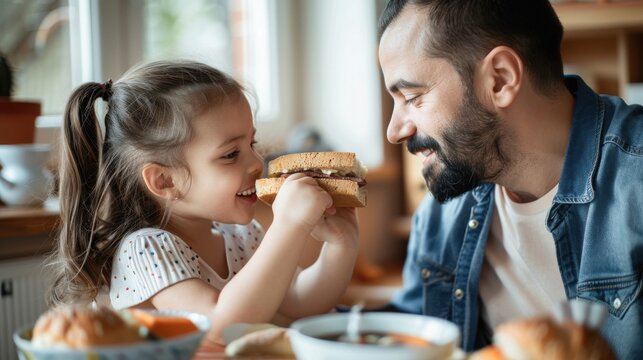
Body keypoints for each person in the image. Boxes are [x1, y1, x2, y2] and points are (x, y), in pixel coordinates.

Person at [377, 0, 643, 358]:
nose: (394, 131)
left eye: (411, 97)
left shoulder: (635, 181)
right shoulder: (445, 209)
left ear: (500, 78)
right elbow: (408, 340)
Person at [46, 60, 359, 344]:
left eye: (252, 143)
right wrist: (289, 226)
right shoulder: (144, 250)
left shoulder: (242, 236)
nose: (256, 162)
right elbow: (220, 326)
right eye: (230, 154)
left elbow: (301, 302)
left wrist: (341, 244)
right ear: (164, 181)